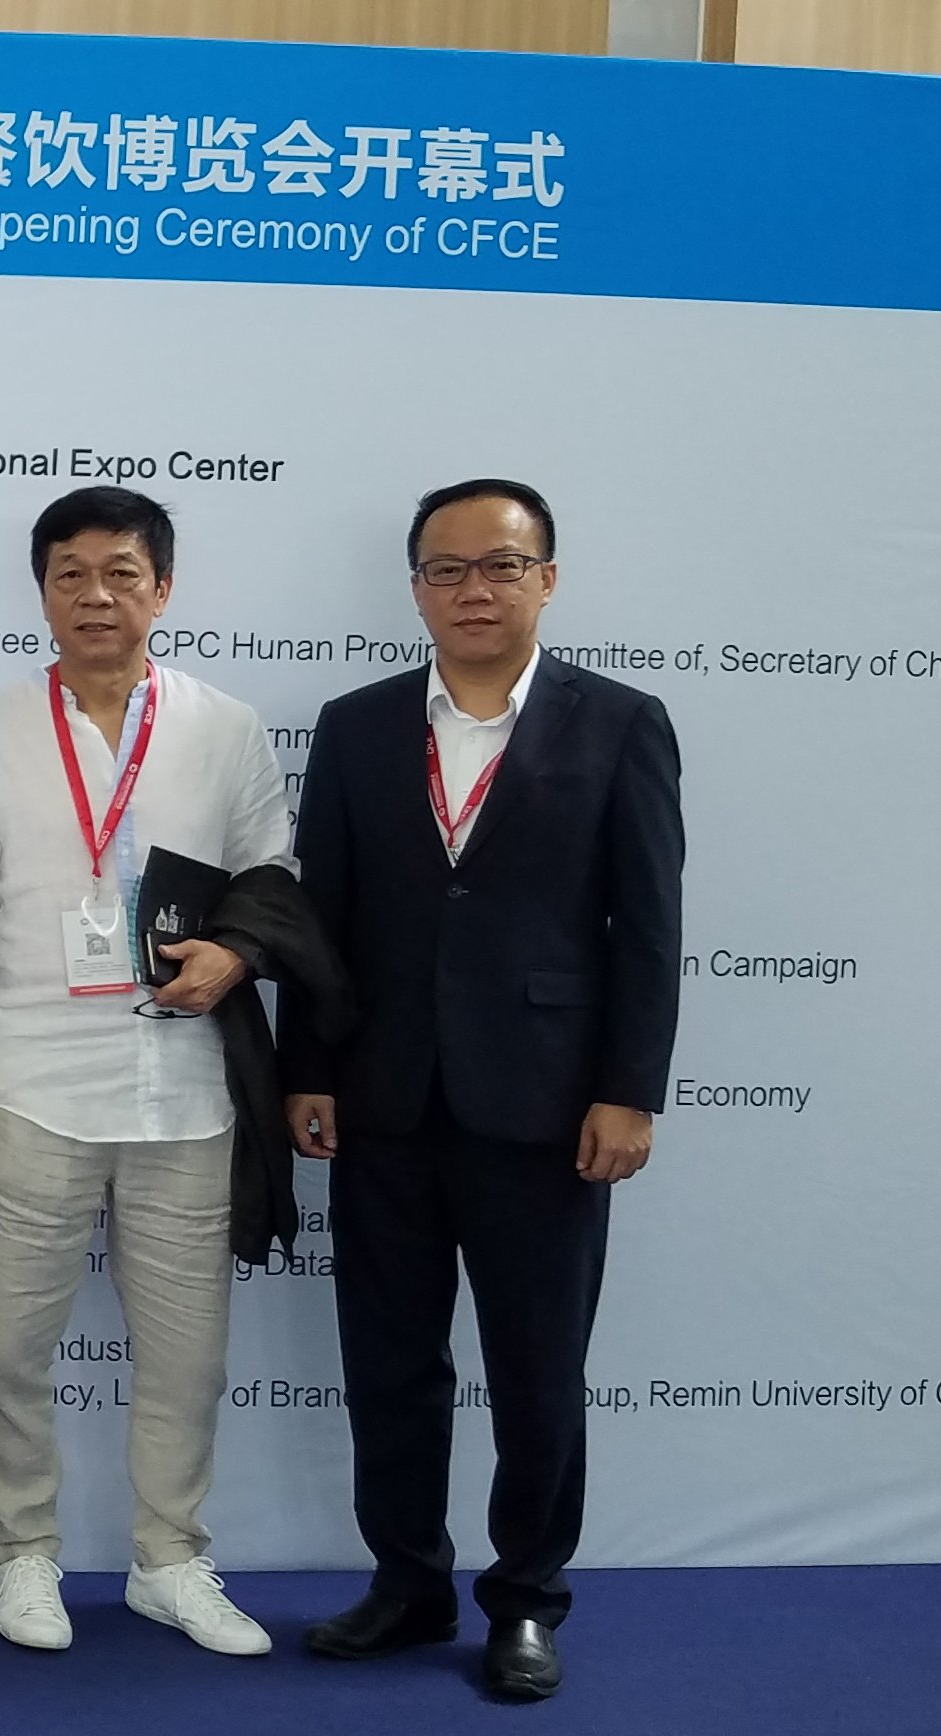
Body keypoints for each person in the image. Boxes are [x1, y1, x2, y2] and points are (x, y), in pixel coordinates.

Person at [283, 480, 681, 1702]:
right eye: (447, 568)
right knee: (390, 1365)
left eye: (501, 565)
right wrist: (309, 1067)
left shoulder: (621, 722)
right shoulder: (355, 725)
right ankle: (408, 1583)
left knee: (537, 1367)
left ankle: (526, 1599)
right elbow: (320, 917)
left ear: (546, 579)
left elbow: (646, 926)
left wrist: (629, 1088)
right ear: (415, 588)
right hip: (385, 1099)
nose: (474, 589)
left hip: (547, 1108)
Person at [0, 485, 288, 1659]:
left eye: (122, 572)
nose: (97, 594)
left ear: (162, 588)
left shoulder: (226, 727)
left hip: (186, 1090)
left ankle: (169, 1557)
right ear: (41, 593)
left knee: (189, 1356)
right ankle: (24, 1551)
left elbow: (270, 880)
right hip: (30, 1084)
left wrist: (237, 954)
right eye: (70, 574)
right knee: (11, 1348)